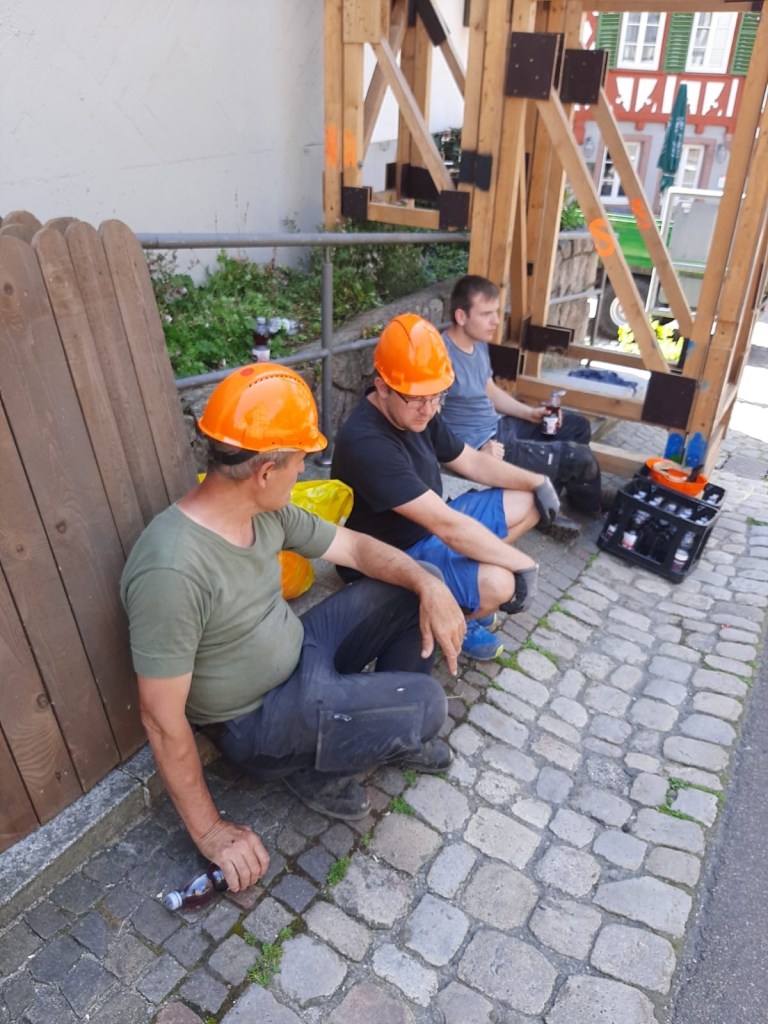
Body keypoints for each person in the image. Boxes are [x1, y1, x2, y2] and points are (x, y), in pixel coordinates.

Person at [121, 363, 468, 893]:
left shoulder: (262, 510)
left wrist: (428, 585)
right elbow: (161, 718)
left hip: (303, 650)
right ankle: (315, 763)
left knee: (421, 580)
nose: (305, 470)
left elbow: (355, 549)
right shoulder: (171, 568)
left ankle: (372, 725)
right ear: (265, 470)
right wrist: (211, 832)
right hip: (259, 719)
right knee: (426, 706)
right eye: (301, 460)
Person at [331, 314, 561, 663]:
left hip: (433, 527)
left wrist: (537, 481)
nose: (429, 410)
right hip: (396, 554)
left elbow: (471, 461)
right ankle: (457, 619)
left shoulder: (417, 406)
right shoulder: (367, 442)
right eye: (418, 399)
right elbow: (445, 525)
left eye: (437, 396)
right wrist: (523, 564)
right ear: (382, 387)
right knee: (501, 582)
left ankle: (466, 592)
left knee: (528, 500)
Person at [440, 275, 605, 538]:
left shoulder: (477, 343)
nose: (496, 321)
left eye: (496, 312)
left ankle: (550, 502)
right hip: (485, 446)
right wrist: (473, 454)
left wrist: (530, 413)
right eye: (486, 314)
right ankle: (588, 516)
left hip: (499, 426)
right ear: (461, 316)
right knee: (581, 460)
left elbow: (490, 390)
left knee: (578, 426)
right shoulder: (441, 358)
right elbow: (432, 425)